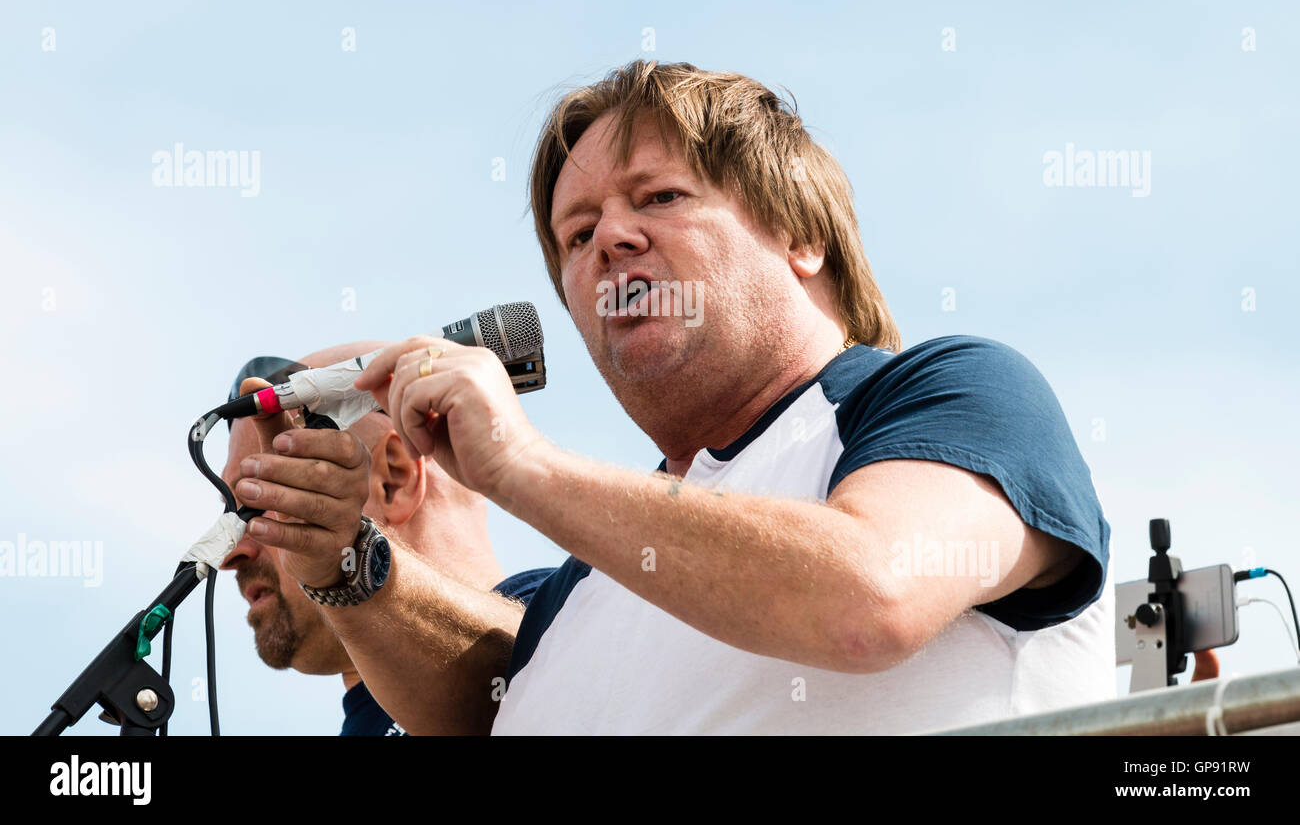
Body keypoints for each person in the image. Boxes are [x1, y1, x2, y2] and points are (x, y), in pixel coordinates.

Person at [232, 60, 1115, 734]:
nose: (611, 239)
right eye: (576, 235)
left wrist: (520, 463)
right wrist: (344, 562)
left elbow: (869, 599)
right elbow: (472, 714)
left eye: (659, 196)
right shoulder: (592, 580)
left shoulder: (952, 392)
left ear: (801, 235)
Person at [218, 345, 552, 735]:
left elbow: (524, 660)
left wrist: (351, 566)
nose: (232, 551)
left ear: (393, 478)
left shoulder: (585, 613)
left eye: (262, 498)